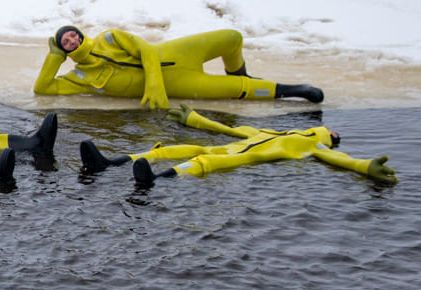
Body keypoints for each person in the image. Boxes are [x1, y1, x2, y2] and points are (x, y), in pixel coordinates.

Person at [78, 102, 397, 186]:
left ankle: (156, 181)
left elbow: (341, 161)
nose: (327, 129)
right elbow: (230, 130)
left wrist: (364, 166)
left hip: (245, 160)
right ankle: (108, 164)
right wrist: (195, 121)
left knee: (206, 164)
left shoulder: (315, 147)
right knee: (171, 148)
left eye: (331, 132)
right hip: (231, 149)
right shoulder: (272, 134)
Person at [34, 25, 324, 108]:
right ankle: (293, 91)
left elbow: (145, 51)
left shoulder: (108, 37)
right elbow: (43, 88)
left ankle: (239, 71)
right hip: (181, 85)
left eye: (72, 34)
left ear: (79, 33)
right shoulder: (80, 76)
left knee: (231, 38)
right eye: (65, 42)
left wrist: (154, 85)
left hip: (175, 54)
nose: (71, 40)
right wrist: (54, 57)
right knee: (238, 91)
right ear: (64, 48)